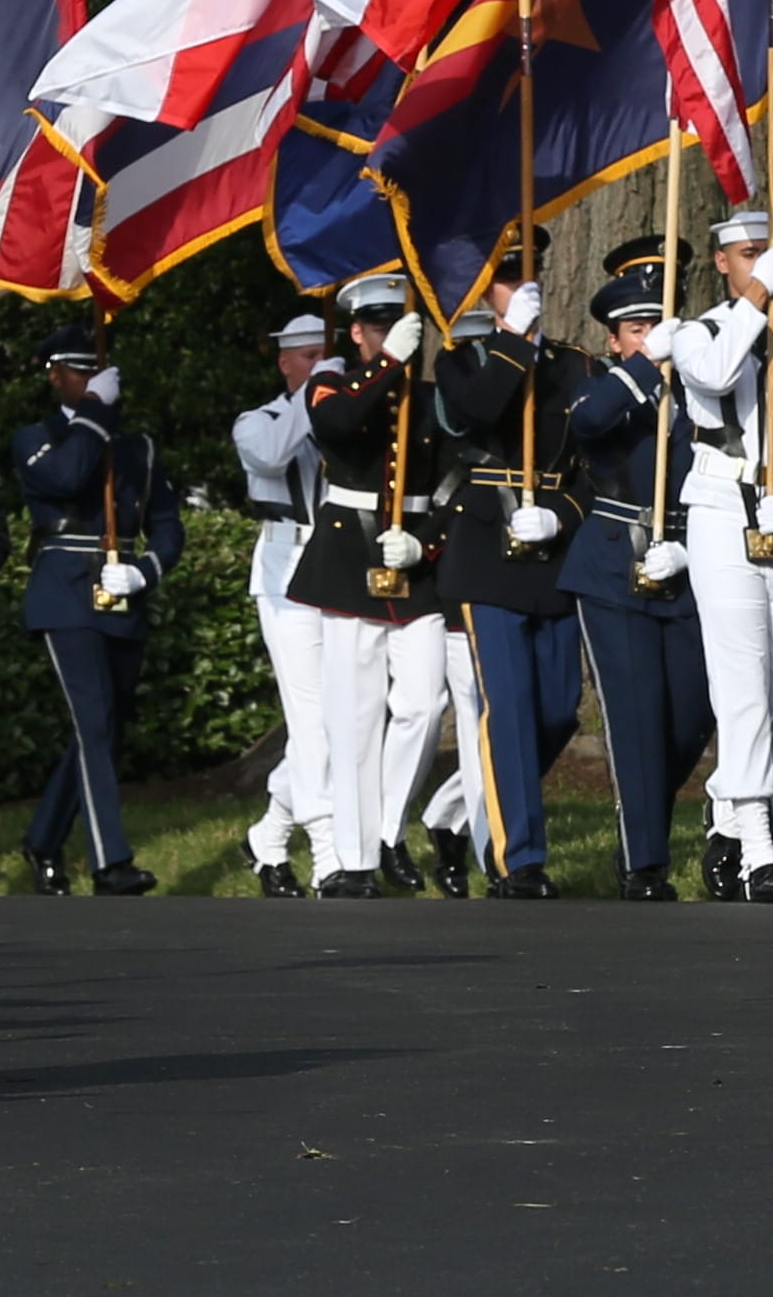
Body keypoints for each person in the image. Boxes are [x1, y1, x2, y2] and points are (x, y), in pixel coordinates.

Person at [658, 213, 773, 901]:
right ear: (722, 261)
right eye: (747, 254)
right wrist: (759, 298)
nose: (761, 262)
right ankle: (758, 849)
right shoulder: (694, 333)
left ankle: (727, 803)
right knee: (742, 682)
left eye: (769, 253)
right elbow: (721, 372)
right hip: (724, 511)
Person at [546, 246, 715, 898]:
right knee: (637, 713)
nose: (650, 337)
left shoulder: (702, 383)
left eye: (658, 325)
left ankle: (648, 808)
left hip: (692, 558)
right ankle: (643, 863)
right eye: (636, 329)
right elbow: (590, 421)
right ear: (615, 340)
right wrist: (646, 367)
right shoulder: (602, 384)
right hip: (615, 563)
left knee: (693, 712)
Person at [287, 273, 459, 890]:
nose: (390, 335)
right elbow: (338, 425)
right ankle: (354, 862)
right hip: (347, 561)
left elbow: (453, 479)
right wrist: (387, 363)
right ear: (357, 332)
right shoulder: (330, 382)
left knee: (422, 702)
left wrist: (426, 539)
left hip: (412, 560)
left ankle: (387, 829)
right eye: (378, 326)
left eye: (398, 325)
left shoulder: (431, 394)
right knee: (355, 717)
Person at [424, 266, 590, 898]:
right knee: (510, 707)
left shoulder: (574, 364)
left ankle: (456, 812)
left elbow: (586, 462)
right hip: (486, 552)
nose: (525, 286)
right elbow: (477, 412)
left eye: (530, 273)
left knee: (557, 707)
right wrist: (514, 340)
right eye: (506, 278)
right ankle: (517, 860)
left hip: (551, 546)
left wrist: (563, 514)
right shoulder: (461, 358)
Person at [8, 334, 167, 893]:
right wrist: (96, 412)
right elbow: (70, 476)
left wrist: (145, 569)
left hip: (122, 592)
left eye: (99, 372)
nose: (95, 380)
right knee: (94, 722)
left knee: (103, 728)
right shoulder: (36, 438)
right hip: (65, 590)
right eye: (80, 372)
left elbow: (167, 522)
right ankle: (109, 861)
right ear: (57, 376)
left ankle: (44, 840)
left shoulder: (136, 447)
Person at [226, 314, 338, 895]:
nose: (320, 366)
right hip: (287, 576)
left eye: (328, 354)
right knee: (314, 717)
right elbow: (272, 457)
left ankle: (268, 835)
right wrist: (320, 394)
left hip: (343, 572)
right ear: (285, 362)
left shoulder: (340, 409)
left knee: (338, 719)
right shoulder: (260, 421)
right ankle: (329, 852)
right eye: (308, 357)